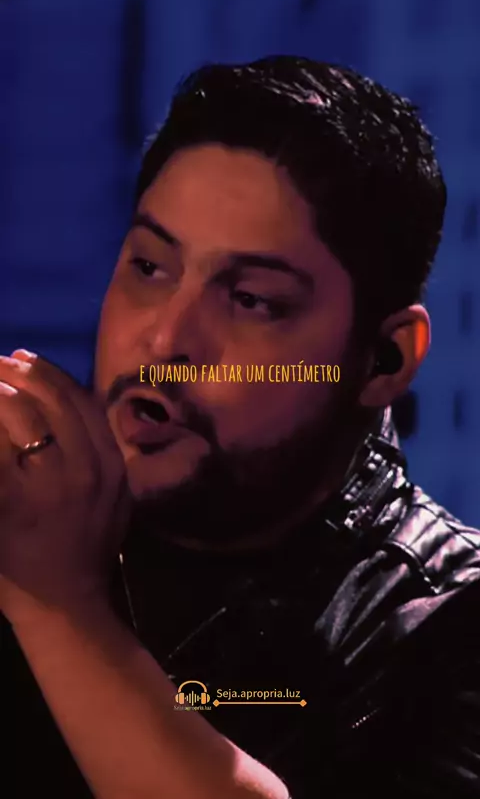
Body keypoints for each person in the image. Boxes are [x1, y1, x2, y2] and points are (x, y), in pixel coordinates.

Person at [2, 56, 479, 799]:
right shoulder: (20, 505)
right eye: (149, 267)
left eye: (251, 300)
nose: (165, 341)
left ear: (384, 360)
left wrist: (60, 608)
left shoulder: (445, 624)